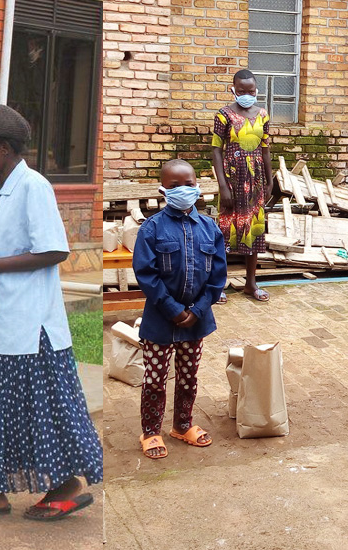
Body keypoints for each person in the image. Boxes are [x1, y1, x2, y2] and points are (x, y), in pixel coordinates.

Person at [0, 105, 100, 521]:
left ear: (5, 149)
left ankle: (66, 487)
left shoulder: (33, 186)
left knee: (34, 411)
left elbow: (55, 250)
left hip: (27, 326)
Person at [131, 159, 225, 460]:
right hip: (160, 320)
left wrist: (198, 309)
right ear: (163, 190)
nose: (183, 190)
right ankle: (150, 431)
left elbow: (218, 276)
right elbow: (146, 274)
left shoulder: (210, 228)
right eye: (174, 186)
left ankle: (182, 425)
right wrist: (172, 309)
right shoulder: (152, 229)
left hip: (196, 321)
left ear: (198, 187)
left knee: (188, 376)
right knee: (155, 379)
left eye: (189, 184)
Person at [209, 69, 275, 303]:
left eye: (250, 90)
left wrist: (270, 181)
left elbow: (265, 150)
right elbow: (216, 150)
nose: (246, 94)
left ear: (256, 90)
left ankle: (251, 284)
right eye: (241, 90)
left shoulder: (263, 115)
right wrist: (222, 186)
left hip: (255, 181)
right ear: (233, 90)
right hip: (232, 179)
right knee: (226, 232)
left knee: (254, 230)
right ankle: (218, 285)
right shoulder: (224, 115)